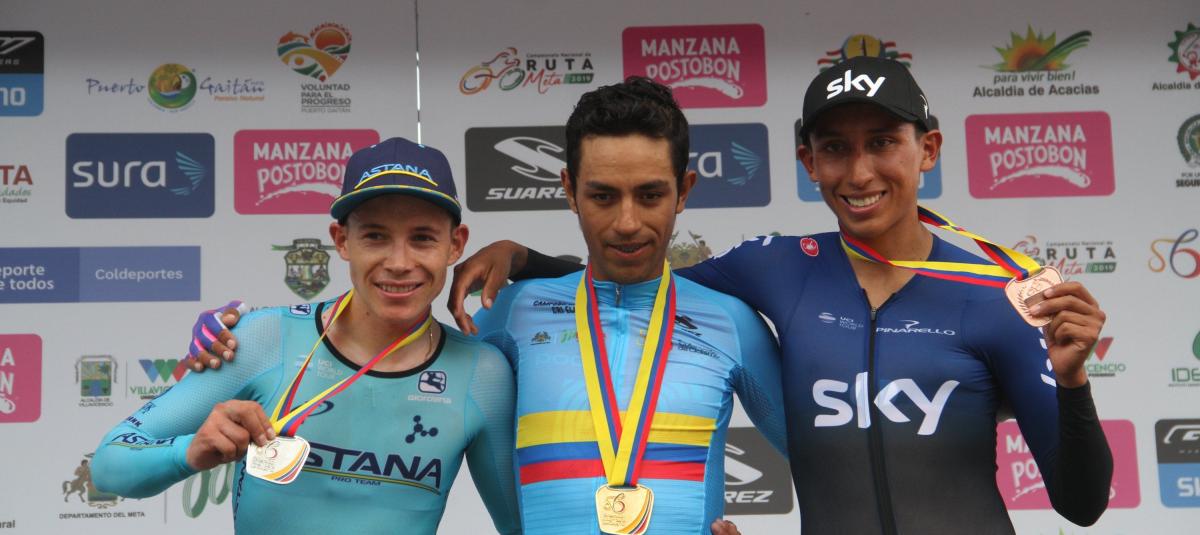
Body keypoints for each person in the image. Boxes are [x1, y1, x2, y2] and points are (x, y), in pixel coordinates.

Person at [447, 57, 1115, 534]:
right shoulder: (777, 268)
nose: (860, 171)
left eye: (884, 143)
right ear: (808, 162)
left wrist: (1074, 382)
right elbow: (639, 280)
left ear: (929, 149)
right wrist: (529, 262)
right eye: (836, 147)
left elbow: (1082, 504)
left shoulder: (996, 296)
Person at [185, 78, 780, 535]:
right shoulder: (509, 312)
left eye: (650, 195)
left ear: (685, 190)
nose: (627, 222)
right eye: (602, 196)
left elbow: (825, 461)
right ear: (569, 190)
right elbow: (393, 361)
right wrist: (235, 341)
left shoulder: (731, 323)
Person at [91, 138, 521, 535]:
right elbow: (110, 464)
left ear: (455, 245)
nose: (398, 262)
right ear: (342, 240)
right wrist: (190, 451)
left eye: (422, 238)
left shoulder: (482, 374)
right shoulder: (263, 339)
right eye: (375, 236)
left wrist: (521, 257)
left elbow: (526, 525)